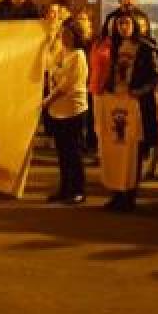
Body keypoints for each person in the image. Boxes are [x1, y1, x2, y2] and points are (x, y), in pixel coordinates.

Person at [101, 12, 158, 211]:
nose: (123, 27)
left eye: (126, 23)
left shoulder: (146, 47)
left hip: (137, 106)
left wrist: (140, 91)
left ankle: (129, 195)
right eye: (119, 24)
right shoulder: (115, 47)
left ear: (134, 25)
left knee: (133, 153)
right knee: (117, 150)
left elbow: (156, 76)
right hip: (117, 102)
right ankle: (117, 192)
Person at [45, 20, 89, 204]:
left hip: (73, 109)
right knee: (62, 152)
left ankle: (78, 189)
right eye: (62, 33)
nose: (64, 37)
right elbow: (49, 68)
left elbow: (67, 85)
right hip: (58, 110)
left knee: (74, 152)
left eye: (68, 34)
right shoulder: (62, 52)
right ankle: (64, 188)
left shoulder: (78, 56)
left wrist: (48, 100)